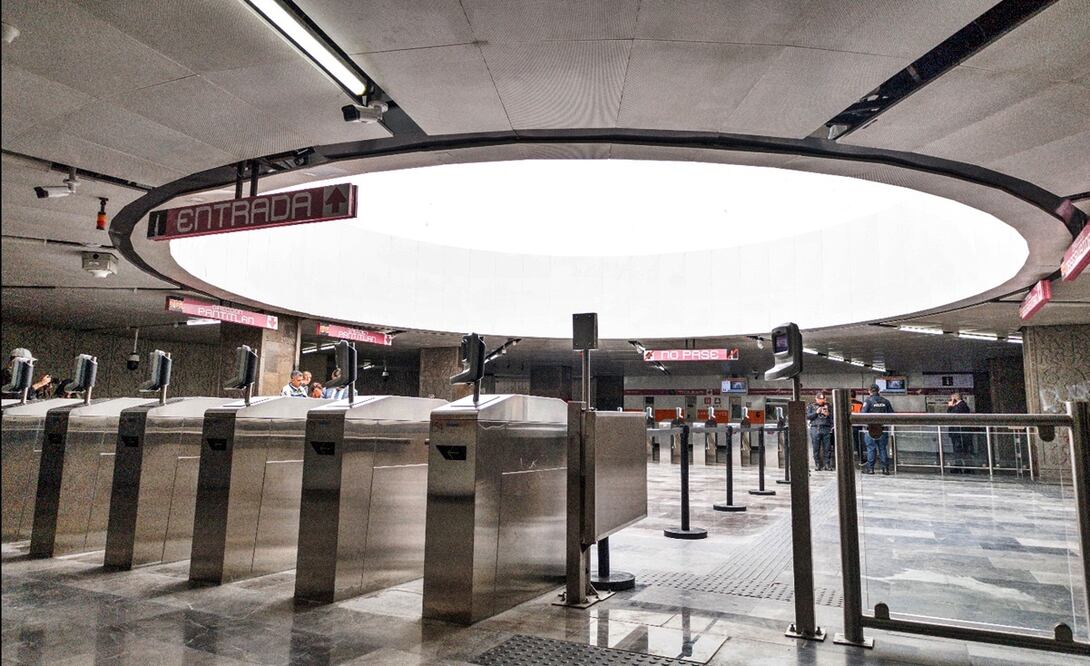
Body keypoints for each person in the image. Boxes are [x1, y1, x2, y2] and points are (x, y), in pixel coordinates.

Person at [862, 384, 895, 475]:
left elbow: (862, 414)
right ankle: (885, 469)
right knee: (882, 449)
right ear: (878, 390)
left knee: (871, 449)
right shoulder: (886, 401)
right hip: (883, 429)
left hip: (870, 429)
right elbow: (892, 414)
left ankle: (870, 469)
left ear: (869, 391)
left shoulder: (868, 401)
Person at [806, 392, 834, 471]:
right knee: (816, 448)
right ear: (816, 399)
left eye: (823, 399)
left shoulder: (829, 406)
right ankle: (817, 464)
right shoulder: (811, 406)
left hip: (826, 428)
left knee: (827, 448)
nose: (821, 401)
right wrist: (816, 412)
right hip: (815, 428)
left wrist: (828, 414)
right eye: (820, 399)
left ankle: (827, 464)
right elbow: (808, 416)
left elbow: (833, 417)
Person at [947, 393, 971, 471]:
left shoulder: (961, 406)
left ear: (955, 398)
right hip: (957, 432)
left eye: (951, 398)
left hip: (958, 432)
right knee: (958, 449)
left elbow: (951, 415)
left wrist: (950, 407)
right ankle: (961, 466)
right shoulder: (960, 406)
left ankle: (960, 466)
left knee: (959, 449)